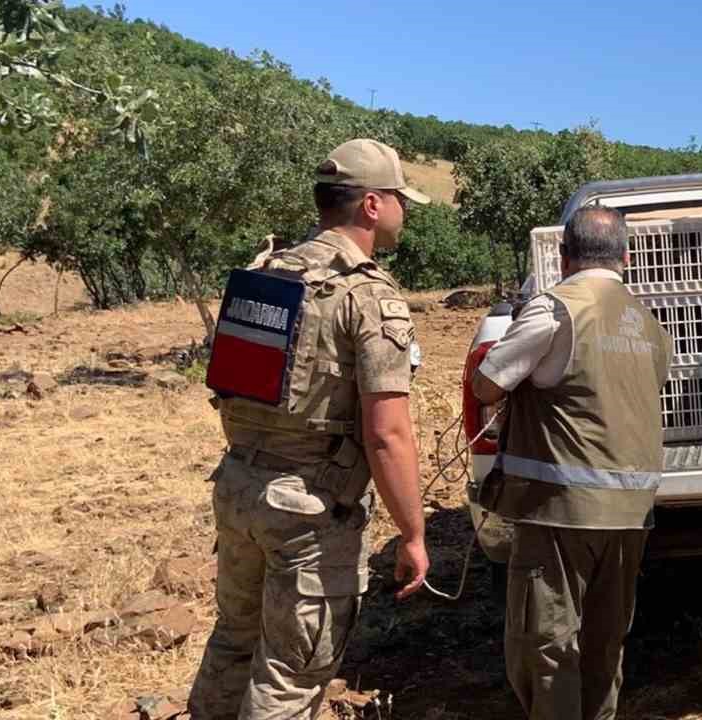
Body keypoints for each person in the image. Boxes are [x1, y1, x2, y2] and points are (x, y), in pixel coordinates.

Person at [189, 138, 433, 720]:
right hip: (309, 510)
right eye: (400, 197)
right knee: (292, 675)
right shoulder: (369, 295)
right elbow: (387, 435)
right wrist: (414, 534)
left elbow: (233, 390)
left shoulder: (266, 272)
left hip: (240, 487)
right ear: (372, 205)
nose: (404, 209)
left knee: (233, 642)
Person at [469, 206, 674, 720]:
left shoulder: (554, 308)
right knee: (606, 643)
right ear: (626, 257)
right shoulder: (648, 323)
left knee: (547, 645)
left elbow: (487, 383)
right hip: (632, 513)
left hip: (561, 510)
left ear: (564, 258)